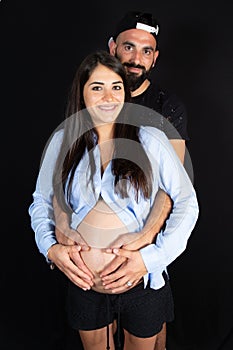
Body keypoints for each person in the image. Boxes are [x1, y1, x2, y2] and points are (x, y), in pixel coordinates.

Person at [28, 50, 199, 350]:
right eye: (97, 87)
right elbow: (41, 200)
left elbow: (187, 203)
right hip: (84, 283)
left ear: (126, 92)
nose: (108, 97)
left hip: (141, 281)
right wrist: (51, 249)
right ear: (81, 94)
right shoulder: (62, 142)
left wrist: (149, 260)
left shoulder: (150, 140)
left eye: (116, 87)